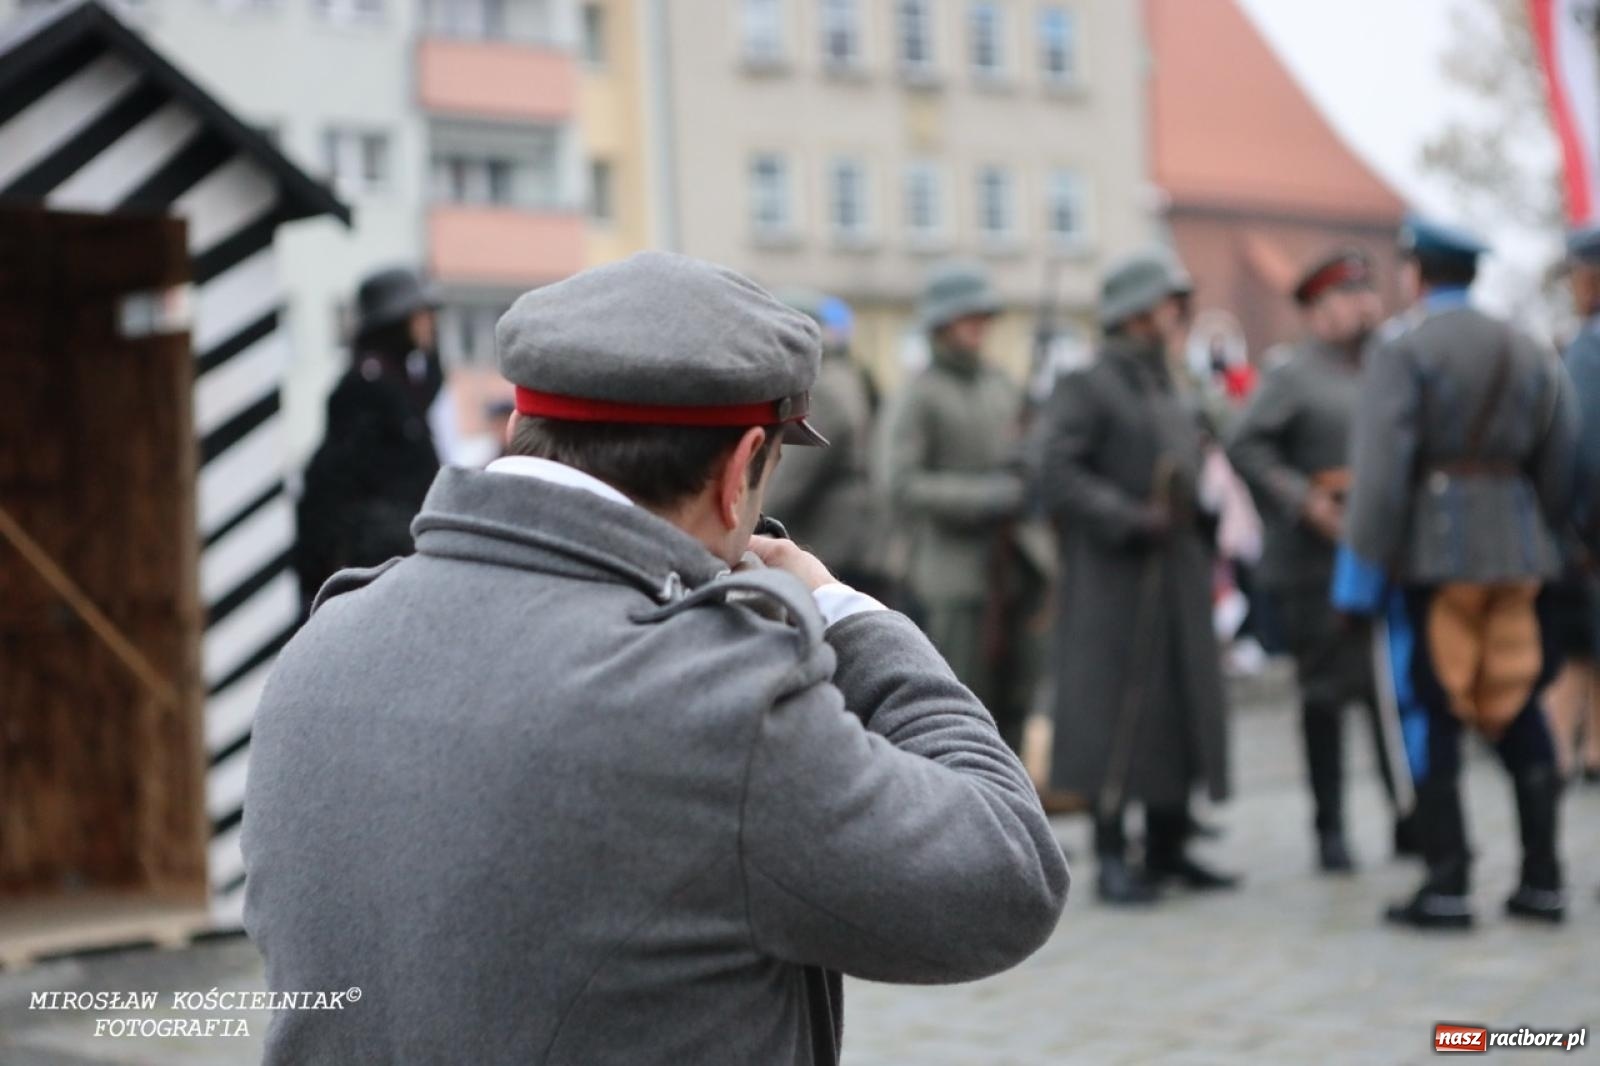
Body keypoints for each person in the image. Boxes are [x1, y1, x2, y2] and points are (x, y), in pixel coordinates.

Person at [242, 252, 1069, 1065]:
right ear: (739, 473)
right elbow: (1009, 876)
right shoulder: (720, 700)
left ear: (517, 429)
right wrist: (845, 614)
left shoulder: (323, 645)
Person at [1344, 214, 1578, 929]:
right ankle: (1543, 877)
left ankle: (1447, 882)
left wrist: (1360, 576)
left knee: (1431, 710)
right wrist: (1535, 529)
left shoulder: (1403, 348)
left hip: (1432, 558)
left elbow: (1382, 476)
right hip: (1518, 553)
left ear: (1417, 273)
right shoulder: (1527, 346)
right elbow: (1561, 453)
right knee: (1516, 700)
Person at [1030, 249, 1236, 905]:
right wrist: (1128, 516)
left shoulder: (1167, 382)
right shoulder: (1087, 385)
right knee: (1113, 712)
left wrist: (1197, 514)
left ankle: (1170, 844)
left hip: (1176, 568)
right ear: (1134, 312)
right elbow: (1055, 472)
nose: (1177, 314)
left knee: (1177, 706)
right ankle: (1114, 852)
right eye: (1166, 302)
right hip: (1113, 576)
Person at [1227, 250, 1413, 873]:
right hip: (1315, 566)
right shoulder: (1292, 375)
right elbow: (1245, 442)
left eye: (1364, 294)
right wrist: (1303, 501)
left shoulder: (1388, 366)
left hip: (1384, 554)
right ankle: (1329, 830)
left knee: (1392, 688)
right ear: (1316, 312)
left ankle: (1409, 814)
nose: (1359, 307)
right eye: (1343, 299)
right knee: (1326, 698)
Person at [881, 261, 1043, 754]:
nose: (977, 326)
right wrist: (984, 497)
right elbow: (900, 484)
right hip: (954, 577)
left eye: (982, 316)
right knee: (965, 712)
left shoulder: (1000, 386)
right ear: (941, 323)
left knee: (1017, 702)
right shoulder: (918, 395)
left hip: (1016, 566)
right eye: (965, 316)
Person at [294, 267, 443, 615]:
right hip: (380, 566)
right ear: (396, 320)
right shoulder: (366, 388)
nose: (428, 325)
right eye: (420, 316)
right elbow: (344, 489)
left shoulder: (397, 383)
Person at [763, 290, 886, 597]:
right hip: (849, 543)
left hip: (833, 548)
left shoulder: (821, 391)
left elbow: (789, 480)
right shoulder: (842, 375)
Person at [1551, 223, 1600, 783]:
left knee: (1576, 645)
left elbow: (1582, 450)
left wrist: (1577, 528)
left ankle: (1564, 751)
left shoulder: (1586, 350)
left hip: (1589, 534)